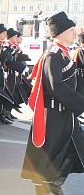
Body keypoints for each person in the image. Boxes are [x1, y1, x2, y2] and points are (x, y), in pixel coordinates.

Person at [21, 11, 84, 195]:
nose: (74, 33)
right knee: (49, 158)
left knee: (74, 150)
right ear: (61, 32)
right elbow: (56, 86)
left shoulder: (64, 53)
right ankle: (49, 187)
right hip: (55, 116)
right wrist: (80, 102)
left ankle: (54, 183)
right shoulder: (53, 55)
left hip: (66, 114)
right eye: (71, 30)